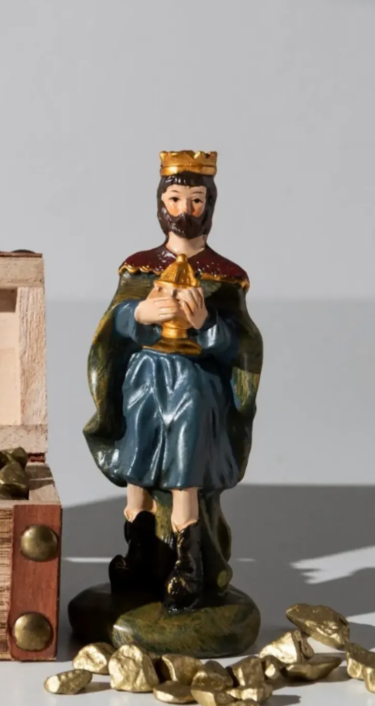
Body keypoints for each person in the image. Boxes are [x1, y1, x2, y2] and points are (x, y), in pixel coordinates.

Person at [83, 151, 263, 613]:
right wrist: (138, 313)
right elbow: (112, 325)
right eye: (176, 198)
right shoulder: (139, 267)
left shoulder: (227, 276)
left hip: (193, 385)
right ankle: (140, 549)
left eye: (196, 200)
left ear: (209, 205)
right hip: (145, 379)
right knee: (137, 465)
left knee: (186, 470)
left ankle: (188, 563)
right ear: (161, 203)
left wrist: (206, 324)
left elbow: (242, 345)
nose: (185, 210)